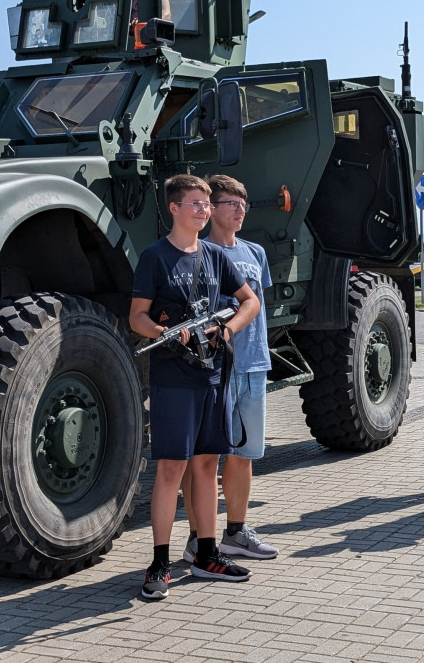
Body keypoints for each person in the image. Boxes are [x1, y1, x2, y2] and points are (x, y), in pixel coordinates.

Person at [130, 174, 261, 600]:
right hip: (173, 378)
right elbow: (137, 317)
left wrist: (227, 328)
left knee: (207, 467)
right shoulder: (155, 257)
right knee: (171, 469)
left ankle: (207, 554)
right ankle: (160, 562)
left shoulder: (214, 256)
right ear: (174, 208)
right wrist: (165, 334)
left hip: (213, 377)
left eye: (206, 203)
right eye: (195, 203)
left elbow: (250, 302)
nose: (204, 210)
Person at [180, 175, 279, 562]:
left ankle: (236, 532)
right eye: (230, 204)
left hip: (254, 364)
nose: (239, 210)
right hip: (216, 368)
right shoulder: (197, 252)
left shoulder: (255, 252)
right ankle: (195, 537)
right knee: (204, 457)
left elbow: (257, 306)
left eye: (244, 204)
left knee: (245, 453)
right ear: (211, 209)